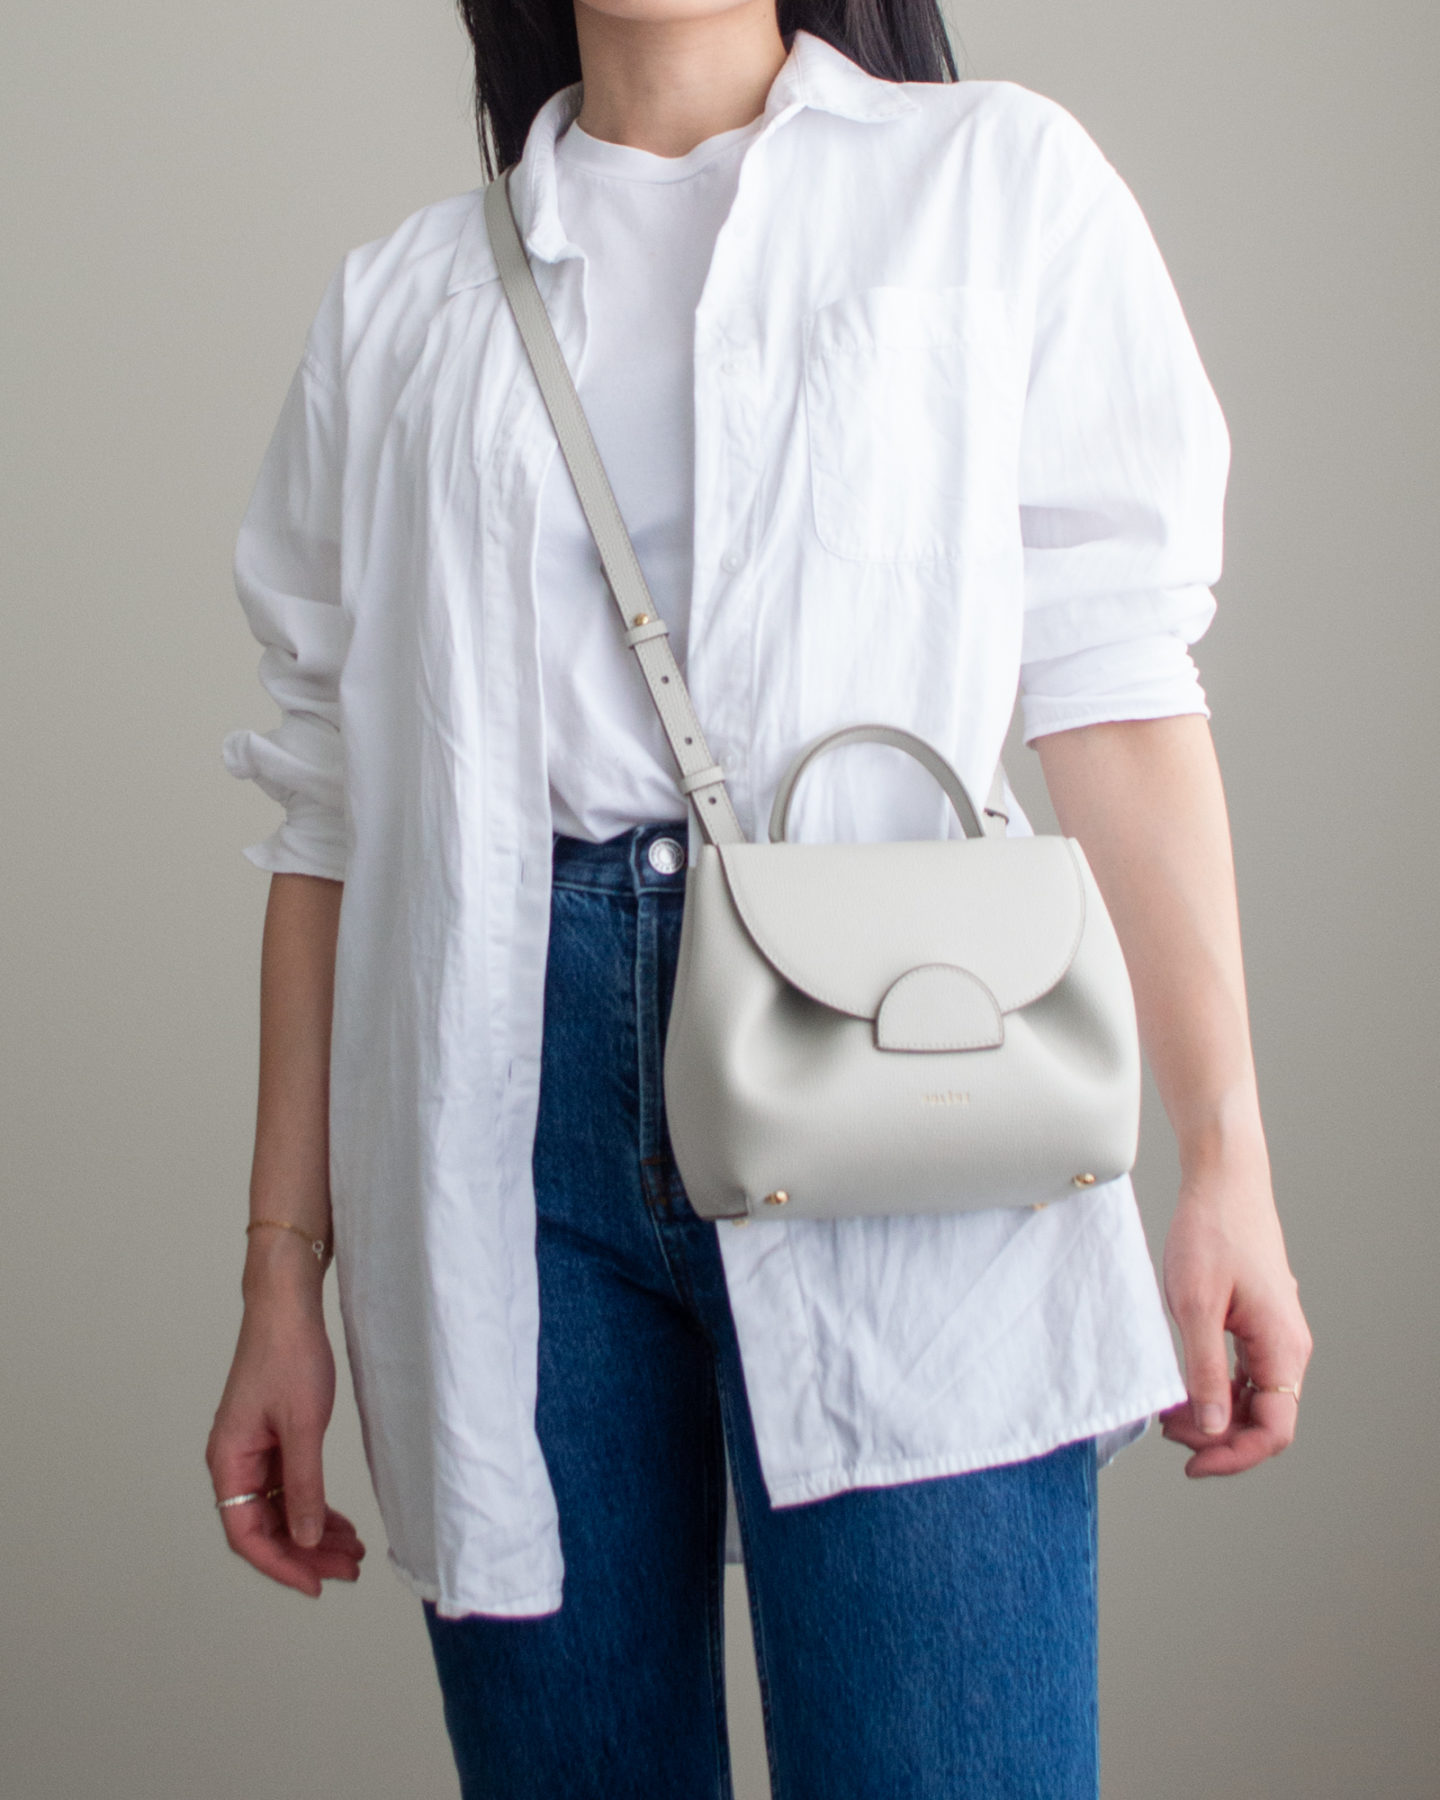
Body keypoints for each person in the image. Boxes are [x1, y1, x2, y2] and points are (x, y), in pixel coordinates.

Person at [207, 2, 1314, 1794]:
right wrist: (280, 1274)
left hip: (907, 1076)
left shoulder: (990, 185)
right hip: (499, 1123)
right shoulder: (400, 305)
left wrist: (1229, 1163)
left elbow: (1116, 688)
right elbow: (328, 818)